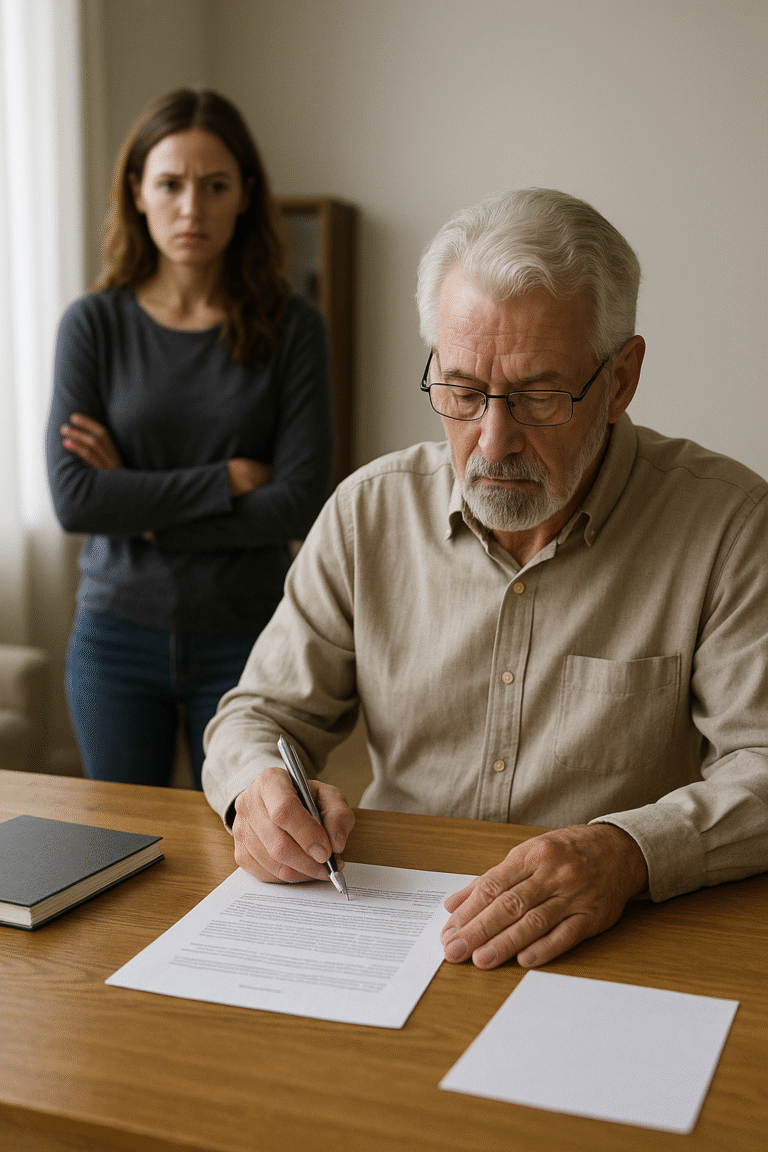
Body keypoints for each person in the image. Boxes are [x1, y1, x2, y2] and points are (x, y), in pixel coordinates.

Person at [202, 188, 768, 970]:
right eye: (462, 392)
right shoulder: (368, 514)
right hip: (389, 932)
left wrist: (628, 852)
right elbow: (257, 713)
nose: (491, 441)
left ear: (621, 379)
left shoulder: (729, 525)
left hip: (613, 941)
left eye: (539, 395)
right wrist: (257, 788)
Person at [46, 89, 334, 789]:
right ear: (137, 192)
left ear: (244, 196)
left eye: (214, 186)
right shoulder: (93, 325)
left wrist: (143, 514)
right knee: (118, 846)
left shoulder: (294, 328)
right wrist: (223, 481)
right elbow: (77, 500)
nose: (190, 208)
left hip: (249, 639)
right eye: (170, 184)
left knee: (247, 847)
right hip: (115, 636)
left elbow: (297, 504)